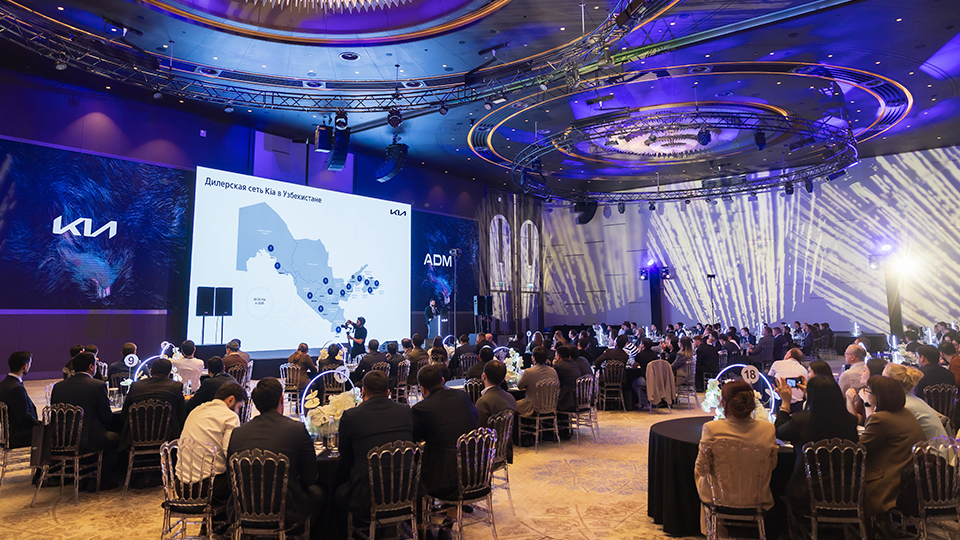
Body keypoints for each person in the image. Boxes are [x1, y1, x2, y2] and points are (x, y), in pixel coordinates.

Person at [228, 378, 322, 531]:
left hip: (243, 509)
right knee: (319, 493)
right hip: (286, 511)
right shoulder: (296, 429)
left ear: (256, 404)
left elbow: (231, 478)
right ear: (281, 399)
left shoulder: (237, 433)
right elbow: (310, 476)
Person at [773, 376, 858, 529]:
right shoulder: (850, 421)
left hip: (806, 491)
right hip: (845, 491)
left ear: (811, 397)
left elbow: (778, 432)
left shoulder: (802, 421)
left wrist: (785, 404)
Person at [694, 380, 778, 532]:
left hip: (718, 500)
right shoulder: (768, 429)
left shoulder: (711, 429)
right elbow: (772, 466)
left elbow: (702, 469)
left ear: (724, 403)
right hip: (758, 500)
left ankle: (713, 531)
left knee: (702, 477)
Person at [336, 371, 414, 512]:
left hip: (366, 495)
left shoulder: (351, 416)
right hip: (406, 489)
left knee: (336, 489)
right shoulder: (405, 411)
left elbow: (344, 453)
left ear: (363, 392)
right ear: (388, 392)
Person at [177, 382, 248, 535]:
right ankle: (223, 531)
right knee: (241, 482)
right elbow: (231, 454)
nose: (238, 411)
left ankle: (210, 528)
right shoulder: (229, 416)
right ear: (230, 400)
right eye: (239, 407)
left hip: (180, 486)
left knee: (221, 476)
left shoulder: (196, 410)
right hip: (205, 488)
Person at [858, 376, 926, 530]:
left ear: (877, 396)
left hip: (890, 482)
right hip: (909, 477)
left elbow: (859, 451)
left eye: (868, 391)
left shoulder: (881, 419)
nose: (865, 393)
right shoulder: (905, 413)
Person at [412, 364, 478, 501]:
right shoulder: (462, 396)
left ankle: (421, 513)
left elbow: (413, 439)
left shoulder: (421, 408)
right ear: (442, 380)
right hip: (476, 469)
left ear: (422, 389)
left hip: (445, 480)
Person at [50, 352, 117, 455]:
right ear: (91, 367)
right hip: (87, 441)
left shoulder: (58, 386)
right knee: (121, 439)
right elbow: (106, 417)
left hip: (60, 439)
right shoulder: (98, 386)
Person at [121, 357, 187, 443]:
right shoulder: (176, 387)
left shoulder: (135, 386)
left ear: (150, 371)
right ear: (169, 373)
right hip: (168, 439)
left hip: (135, 438)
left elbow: (124, 415)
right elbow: (181, 416)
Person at [884, 363, 948, 440]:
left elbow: (888, 432)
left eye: (883, 380)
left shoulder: (904, 405)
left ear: (891, 383)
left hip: (932, 447)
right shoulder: (911, 399)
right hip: (938, 445)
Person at [0, 351, 41, 448]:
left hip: (7, 432)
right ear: (25, 367)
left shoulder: (3, 384)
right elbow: (24, 418)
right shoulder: (17, 389)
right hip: (19, 436)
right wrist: (41, 425)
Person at [515, 346, 559, 416]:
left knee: (511, 404)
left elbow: (519, 386)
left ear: (534, 358)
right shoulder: (553, 371)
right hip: (551, 405)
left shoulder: (529, 372)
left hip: (533, 406)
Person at [844, 358, 887, 425]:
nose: (861, 373)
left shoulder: (883, 395)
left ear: (873, 374)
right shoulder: (865, 391)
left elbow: (874, 425)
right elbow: (857, 420)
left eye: (864, 370)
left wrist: (867, 402)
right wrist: (850, 401)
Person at [475, 360, 517, 428]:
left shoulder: (483, 402)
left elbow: (479, 428)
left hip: (489, 435)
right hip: (506, 435)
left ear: (484, 376)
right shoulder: (511, 398)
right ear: (503, 380)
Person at [768, 348, 808, 412]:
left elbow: (769, 378)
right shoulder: (804, 370)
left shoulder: (777, 363)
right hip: (798, 405)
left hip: (780, 402)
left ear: (789, 355)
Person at [554, 345, 591, 412]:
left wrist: (554, 364)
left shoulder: (558, 366)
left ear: (558, 356)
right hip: (581, 398)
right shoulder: (574, 364)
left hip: (568, 402)